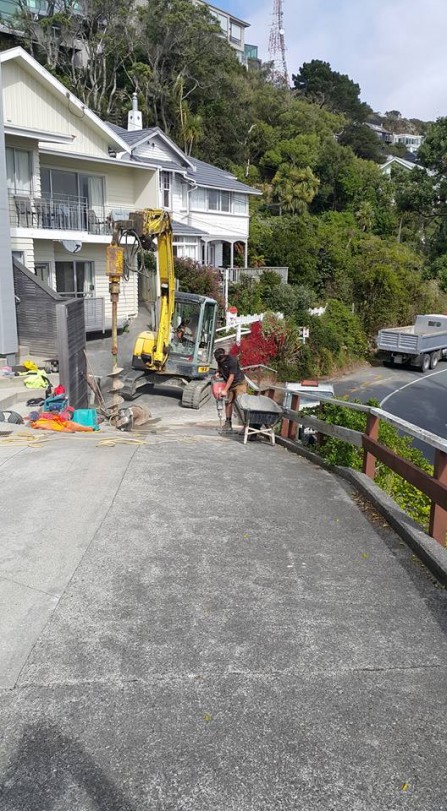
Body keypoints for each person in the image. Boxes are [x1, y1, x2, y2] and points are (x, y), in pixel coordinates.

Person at [214, 347, 247, 432]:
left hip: (239, 383)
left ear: (224, 355)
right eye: (218, 359)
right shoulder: (219, 359)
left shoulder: (232, 360)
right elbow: (219, 368)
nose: (220, 361)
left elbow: (231, 377)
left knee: (241, 404)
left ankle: (246, 425)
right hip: (230, 385)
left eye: (221, 359)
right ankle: (228, 423)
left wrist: (225, 390)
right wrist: (218, 373)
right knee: (228, 403)